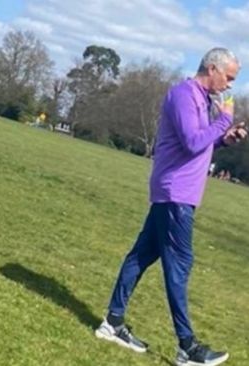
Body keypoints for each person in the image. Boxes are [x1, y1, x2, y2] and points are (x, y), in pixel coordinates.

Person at [95, 48, 246, 366]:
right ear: (212, 68)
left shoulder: (201, 100)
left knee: (141, 256)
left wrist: (224, 138)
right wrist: (225, 121)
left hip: (177, 193)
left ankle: (113, 322)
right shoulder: (183, 94)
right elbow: (192, 142)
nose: (230, 85)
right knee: (179, 264)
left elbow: (197, 143)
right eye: (229, 77)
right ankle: (187, 347)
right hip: (175, 193)